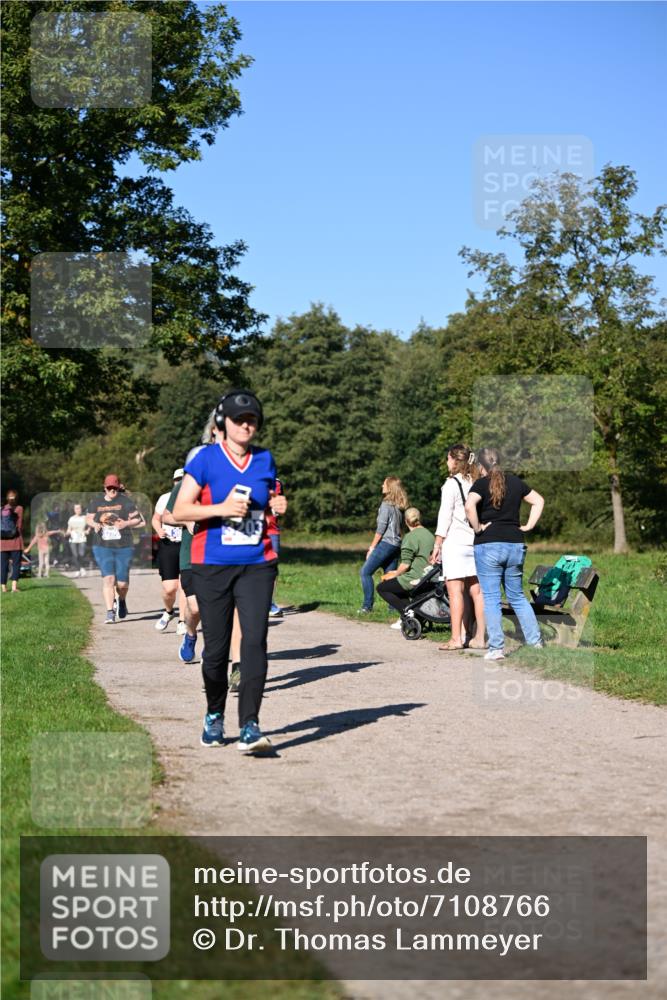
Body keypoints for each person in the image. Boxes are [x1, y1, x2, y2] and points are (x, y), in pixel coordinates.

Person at [173, 389, 287, 753]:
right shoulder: (205, 459)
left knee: (254, 643)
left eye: (252, 419)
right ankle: (214, 715)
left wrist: (276, 504)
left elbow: (266, 503)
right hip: (212, 565)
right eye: (240, 419)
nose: (246, 425)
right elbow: (180, 510)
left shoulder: (264, 459)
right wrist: (220, 508)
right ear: (224, 423)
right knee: (217, 649)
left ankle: (251, 724)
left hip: (257, 563)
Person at [464, 447, 545, 661]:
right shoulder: (516, 482)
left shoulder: (480, 484)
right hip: (515, 544)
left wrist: (478, 528)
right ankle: (535, 642)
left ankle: (497, 649)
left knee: (491, 598)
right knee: (517, 596)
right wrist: (528, 525)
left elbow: (469, 506)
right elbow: (539, 501)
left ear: (481, 466)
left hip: (488, 544)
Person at [430, 444, 487, 651]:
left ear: (454, 460)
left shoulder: (451, 485)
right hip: (476, 541)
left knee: (456, 592)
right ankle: (479, 636)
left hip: (455, 543)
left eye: (448, 459)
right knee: (477, 592)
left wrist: (437, 544)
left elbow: (444, 517)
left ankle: (456, 638)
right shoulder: (478, 482)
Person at [86, 474, 144, 624]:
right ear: (104, 487)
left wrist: (125, 523)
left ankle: (122, 600)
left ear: (118, 487)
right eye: (109, 488)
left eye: (114, 488)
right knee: (109, 579)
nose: (112, 490)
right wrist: (95, 525)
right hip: (102, 546)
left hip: (124, 546)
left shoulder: (125, 501)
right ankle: (110, 611)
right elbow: (89, 518)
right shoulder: (96, 502)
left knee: (122, 584)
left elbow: (138, 519)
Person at [376, 507, 435, 626]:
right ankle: (410, 613)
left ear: (406, 521)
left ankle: (406, 613)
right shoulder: (429, 534)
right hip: (430, 576)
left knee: (382, 588)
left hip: (416, 577)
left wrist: (394, 574)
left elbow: (405, 564)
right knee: (397, 586)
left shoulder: (410, 537)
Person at [359, 476, 408, 614]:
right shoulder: (398, 506)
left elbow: (381, 529)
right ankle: (393, 607)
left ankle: (367, 606)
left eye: (384, 484)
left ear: (390, 487)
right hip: (396, 545)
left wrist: (372, 547)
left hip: (387, 543)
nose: (382, 485)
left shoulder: (386, 505)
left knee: (365, 572)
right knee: (389, 576)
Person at [152, 469, 187, 633]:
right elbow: (155, 519)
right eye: (177, 480)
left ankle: (182, 621)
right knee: (169, 588)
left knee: (185, 585)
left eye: (183, 479)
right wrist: (159, 530)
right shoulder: (165, 498)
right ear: (173, 481)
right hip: (168, 544)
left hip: (186, 544)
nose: (179, 483)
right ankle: (169, 612)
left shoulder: (192, 499)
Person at [1, 489, 24, 593]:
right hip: (15, 541)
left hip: (2, 541)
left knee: (3, 565)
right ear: (16, 498)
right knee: (16, 564)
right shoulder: (19, 508)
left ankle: (3, 588)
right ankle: (14, 588)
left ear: (7, 498)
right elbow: (19, 526)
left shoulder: (1, 509)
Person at [64, 503, 90, 576]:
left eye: (79, 508)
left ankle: (81, 568)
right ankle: (79, 569)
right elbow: (69, 529)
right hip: (73, 538)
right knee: (75, 555)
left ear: (81, 509)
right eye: (76, 508)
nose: (78, 510)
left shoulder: (85, 517)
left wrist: (88, 531)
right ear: (74, 510)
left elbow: (90, 526)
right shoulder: (71, 518)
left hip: (82, 538)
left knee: (81, 554)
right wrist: (67, 533)